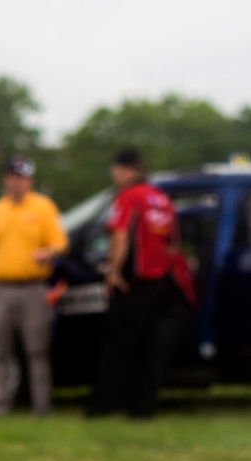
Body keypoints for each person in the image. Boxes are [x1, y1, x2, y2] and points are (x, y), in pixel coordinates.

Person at [88, 148, 194, 419]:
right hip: (161, 283)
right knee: (150, 348)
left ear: (124, 169)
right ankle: (142, 408)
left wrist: (112, 272)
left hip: (134, 282)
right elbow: (173, 245)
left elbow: (120, 235)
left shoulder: (128, 197)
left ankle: (103, 406)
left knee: (118, 346)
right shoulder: (161, 199)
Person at [0, 155, 67, 415]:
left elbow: (59, 242)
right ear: (7, 179)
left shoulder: (43, 207)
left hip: (33, 288)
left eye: (22, 178)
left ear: (30, 181)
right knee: (0, 349)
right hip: (1, 288)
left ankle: (41, 407)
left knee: (37, 350)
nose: (18, 183)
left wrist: (47, 253)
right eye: (14, 178)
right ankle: (1, 404)